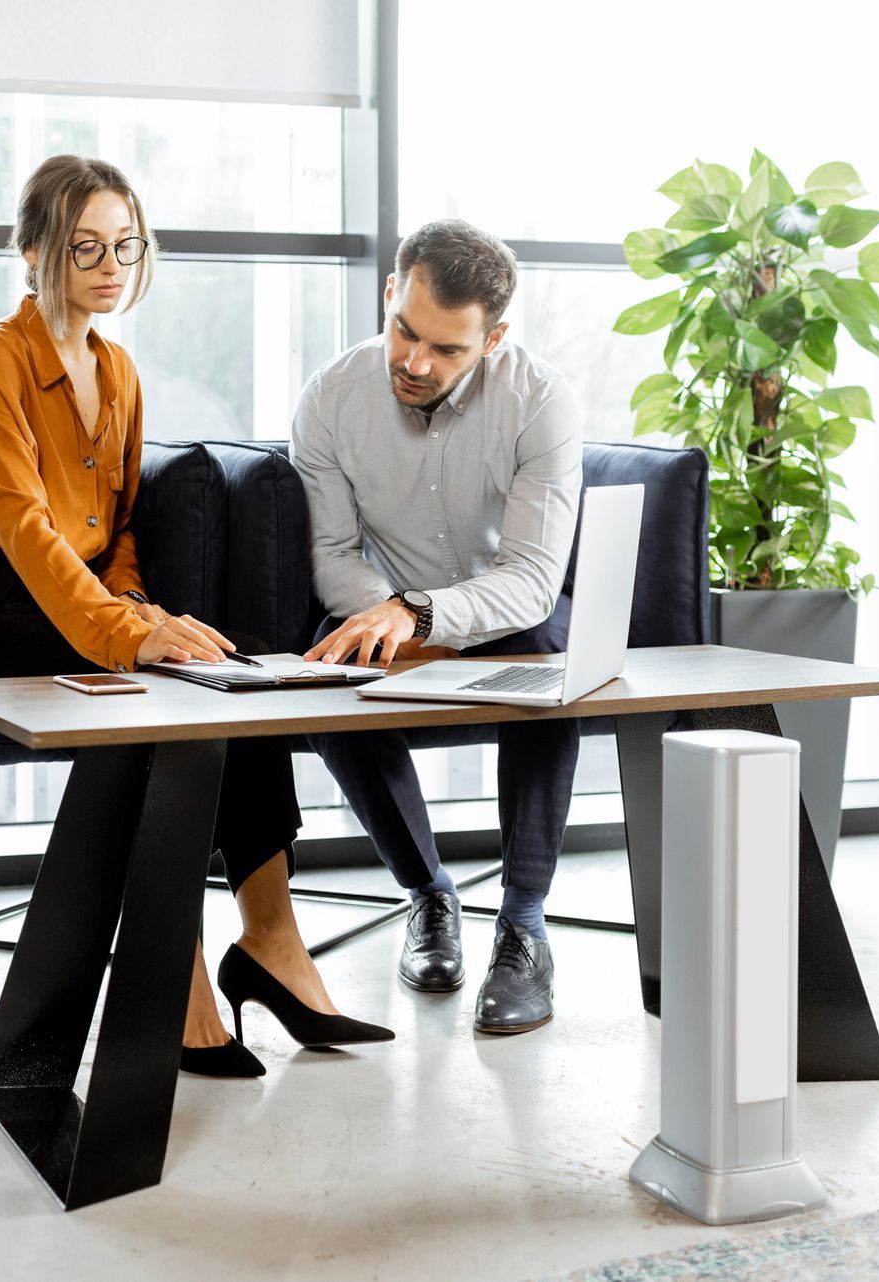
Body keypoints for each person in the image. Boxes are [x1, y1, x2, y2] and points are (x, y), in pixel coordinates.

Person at [0, 155, 389, 1076]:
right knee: (159, 682)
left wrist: (141, 609)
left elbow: (111, 539)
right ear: (35, 250)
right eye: (85, 249)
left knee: (248, 667)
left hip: (61, 600)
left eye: (125, 246)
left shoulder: (117, 372)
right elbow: (24, 529)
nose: (111, 267)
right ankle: (176, 973)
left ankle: (271, 938)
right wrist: (127, 635)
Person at [294, 219, 584, 1035]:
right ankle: (427, 896)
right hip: (383, 606)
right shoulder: (329, 397)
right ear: (391, 294)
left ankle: (524, 923)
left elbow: (532, 579)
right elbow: (332, 552)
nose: (415, 364)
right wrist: (392, 616)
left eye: (447, 351)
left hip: (501, 613)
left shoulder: (542, 403)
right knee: (330, 660)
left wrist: (431, 617)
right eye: (405, 332)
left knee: (550, 660)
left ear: (493, 339)